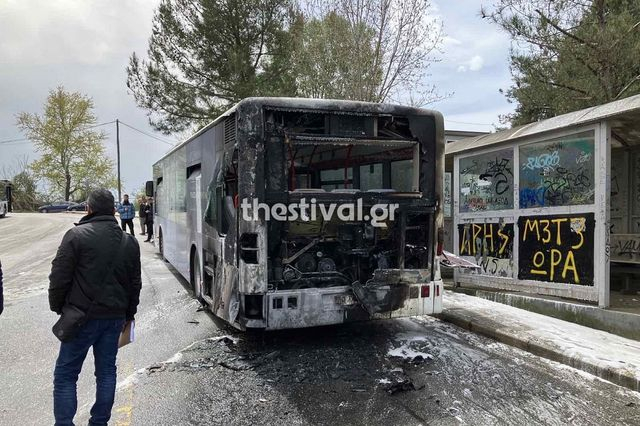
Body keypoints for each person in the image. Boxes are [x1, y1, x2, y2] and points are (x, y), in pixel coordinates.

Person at [49, 189, 142, 426]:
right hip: (114, 319)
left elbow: (59, 278)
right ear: (114, 211)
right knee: (107, 373)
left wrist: (60, 308)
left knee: (66, 375)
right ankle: (99, 422)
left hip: (80, 317)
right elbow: (135, 283)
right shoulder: (128, 241)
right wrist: (128, 315)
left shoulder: (75, 235)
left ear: (88, 209)